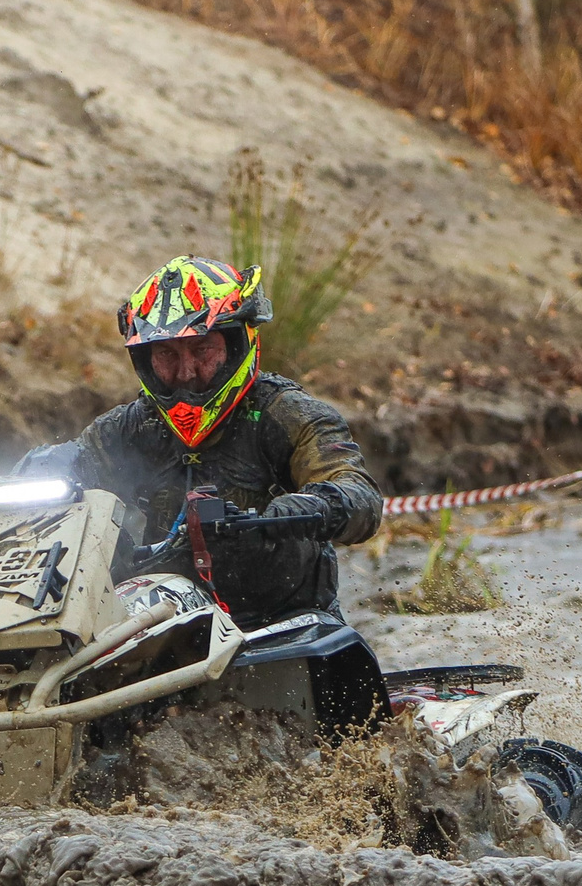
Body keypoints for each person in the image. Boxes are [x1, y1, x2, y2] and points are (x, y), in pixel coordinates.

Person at [21, 255, 381, 626]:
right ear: (145, 358)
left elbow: (362, 497)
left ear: (236, 343)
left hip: (285, 623)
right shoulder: (132, 427)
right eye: (167, 354)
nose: (186, 371)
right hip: (163, 624)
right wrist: (43, 472)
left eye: (202, 349)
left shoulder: (286, 415)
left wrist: (304, 510)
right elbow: (78, 463)